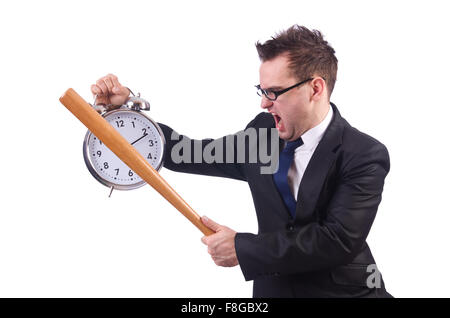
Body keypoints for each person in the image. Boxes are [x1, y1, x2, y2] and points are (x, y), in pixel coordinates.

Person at [90, 25, 392, 298]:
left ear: (315, 88)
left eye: (274, 92)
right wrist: (126, 110)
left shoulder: (364, 154)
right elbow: (184, 151)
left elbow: (335, 241)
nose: (263, 102)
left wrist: (242, 248)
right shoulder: (262, 133)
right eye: (262, 91)